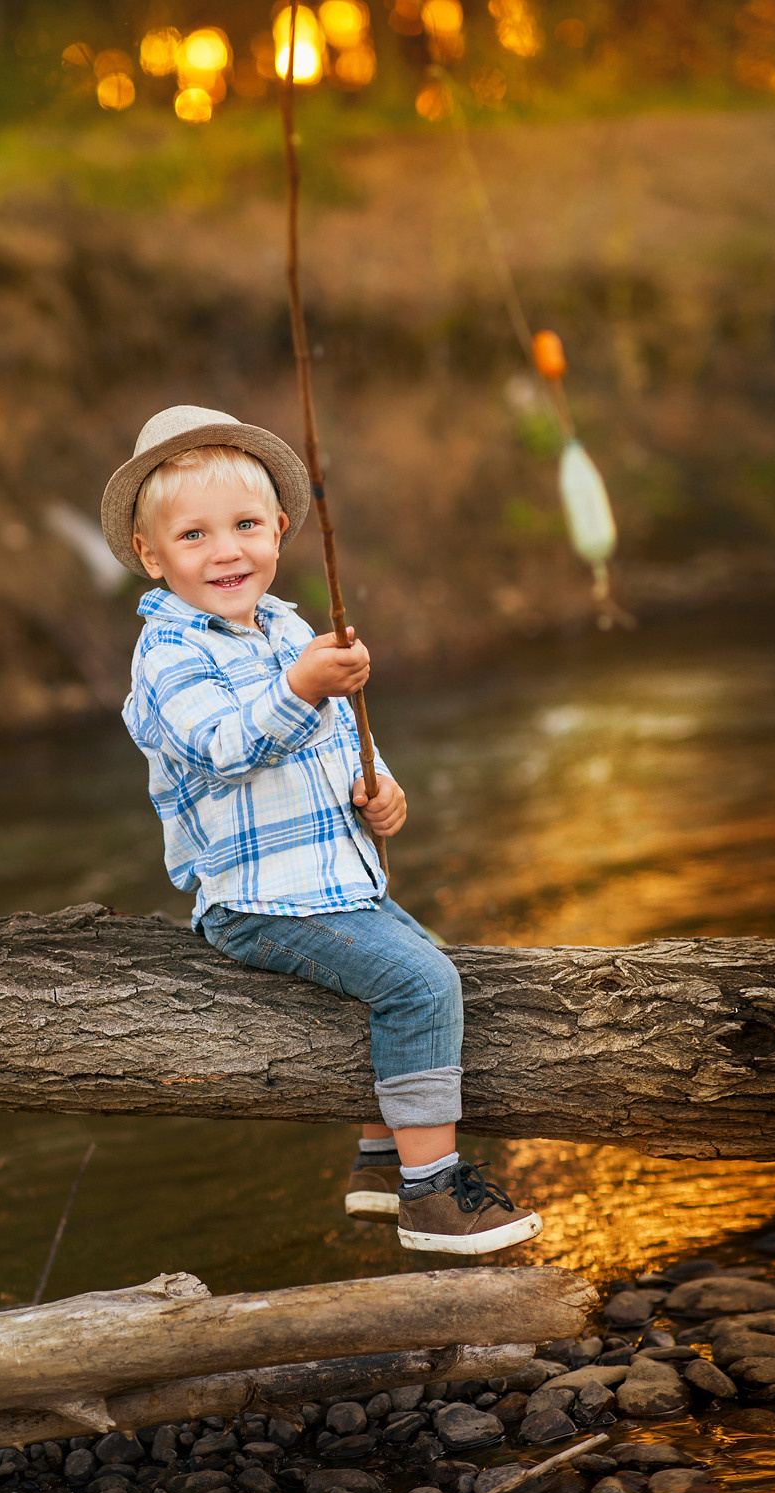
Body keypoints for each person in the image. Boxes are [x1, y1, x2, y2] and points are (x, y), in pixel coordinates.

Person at [103, 404, 543, 1254]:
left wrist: (377, 791)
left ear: (279, 529)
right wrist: (303, 686)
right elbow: (226, 749)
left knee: (427, 964)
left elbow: (339, 744)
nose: (225, 550)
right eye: (193, 536)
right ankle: (432, 1193)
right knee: (421, 985)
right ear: (152, 558)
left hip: (333, 882)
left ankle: (379, 1162)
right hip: (258, 900)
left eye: (243, 525)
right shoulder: (168, 654)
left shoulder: (290, 627)